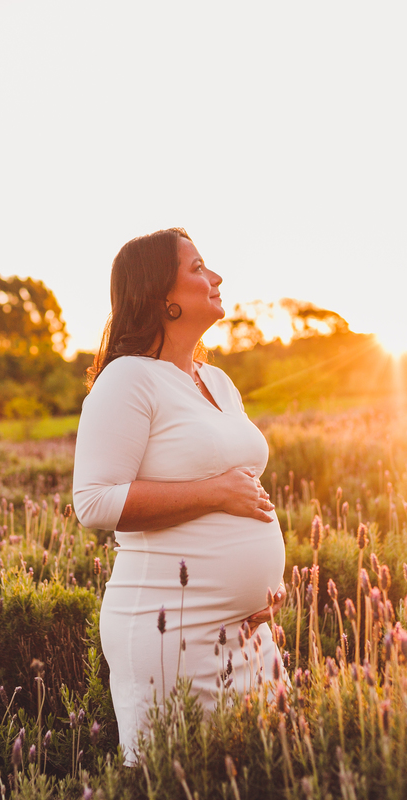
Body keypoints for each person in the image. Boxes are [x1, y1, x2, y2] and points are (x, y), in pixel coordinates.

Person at [72, 227, 287, 763]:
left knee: (268, 769)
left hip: (249, 632)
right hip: (170, 629)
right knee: (179, 779)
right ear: (162, 296)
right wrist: (214, 493)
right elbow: (94, 501)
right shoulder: (128, 379)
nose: (215, 278)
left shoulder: (217, 381)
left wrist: (266, 586)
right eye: (197, 268)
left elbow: (243, 489)